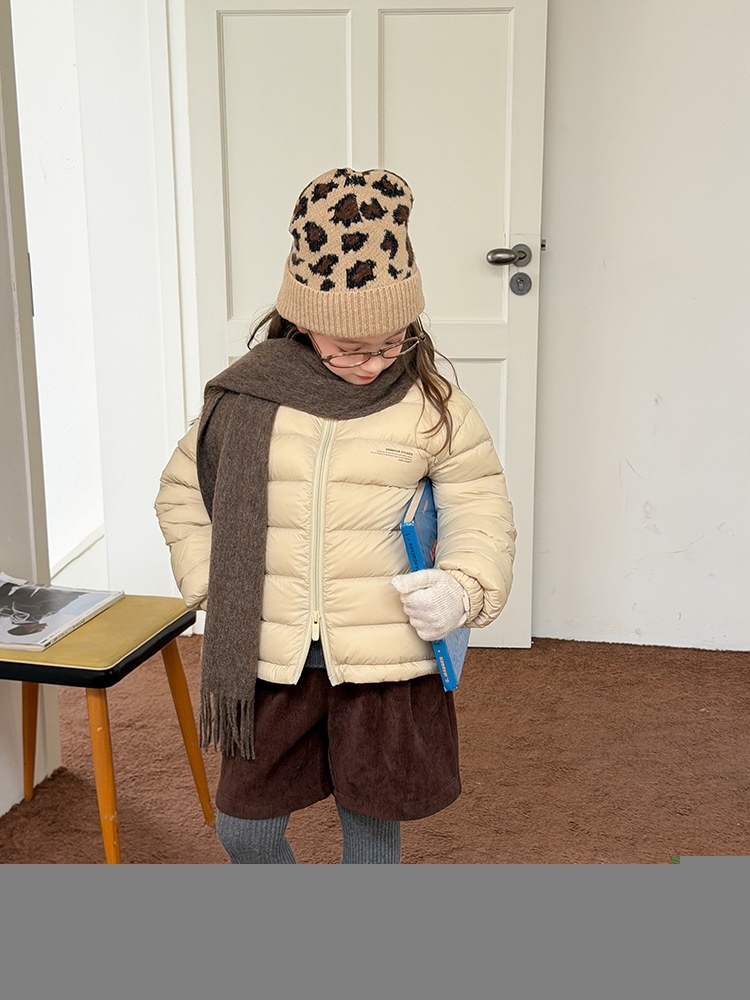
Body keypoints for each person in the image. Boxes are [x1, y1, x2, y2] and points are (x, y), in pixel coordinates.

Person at [155, 167, 516, 864]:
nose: (372, 363)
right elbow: (181, 494)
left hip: (385, 660)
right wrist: (214, 586)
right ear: (303, 321)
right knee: (246, 831)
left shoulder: (431, 405)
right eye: (350, 346)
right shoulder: (250, 398)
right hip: (270, 658)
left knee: (371, 827)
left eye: (391, 343)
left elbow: (480, 504)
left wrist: (463, 587)